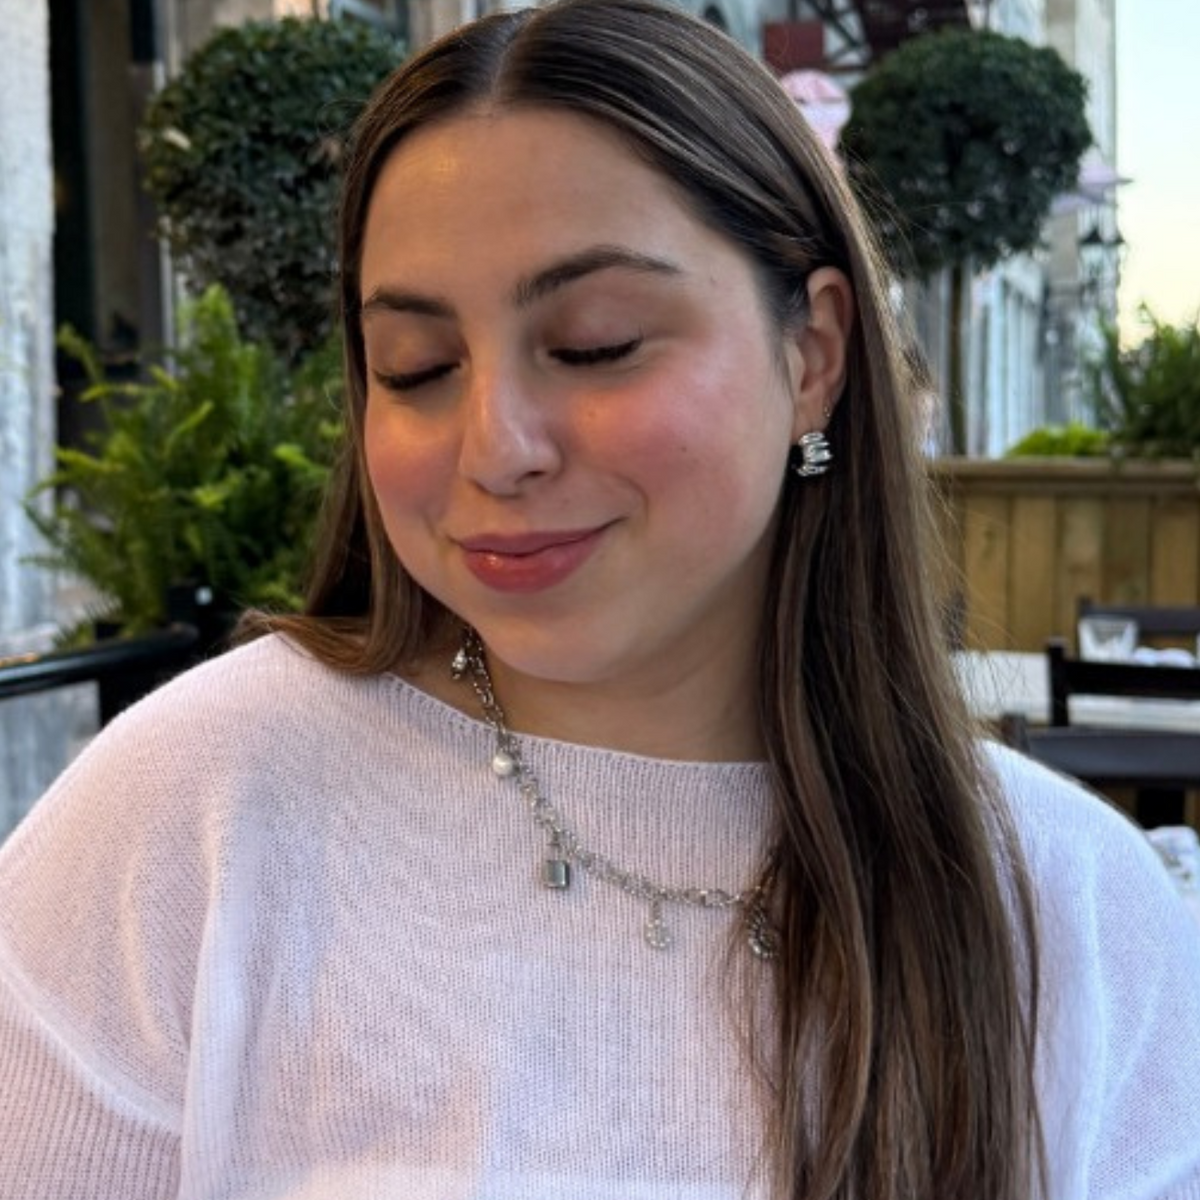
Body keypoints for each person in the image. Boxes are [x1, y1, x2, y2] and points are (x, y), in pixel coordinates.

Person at [2, 0, 1199, 1196]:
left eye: (596, 343)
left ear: (813, 356)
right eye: (416, 366)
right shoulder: (195, 814)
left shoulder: (1074, 914)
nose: (497, 449)